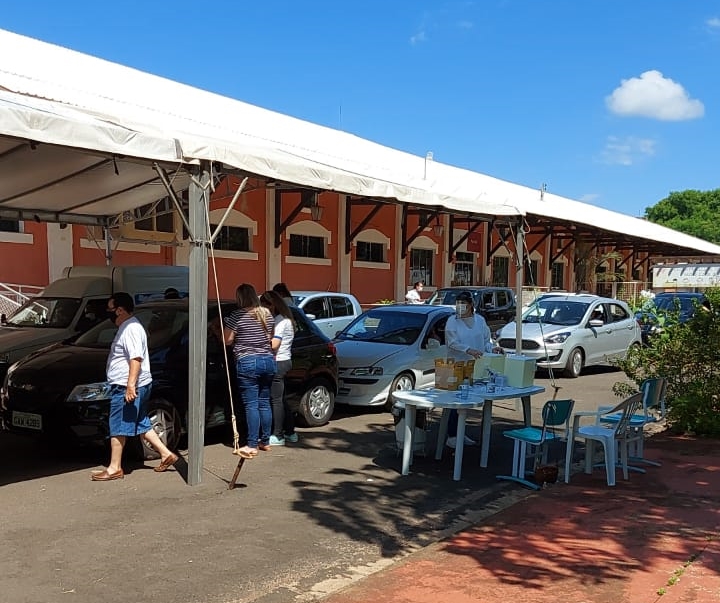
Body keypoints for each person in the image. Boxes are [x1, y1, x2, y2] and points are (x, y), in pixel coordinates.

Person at [91, 292, 178, 481]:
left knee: (118, 425)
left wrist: (130, 386)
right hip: (137, 383)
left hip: (127, 385)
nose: (108, 313)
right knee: (140, 422)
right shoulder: (131, 326)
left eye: (110, 309)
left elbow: (135, 358)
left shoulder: (130, 328)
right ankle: (166, 454)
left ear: (120, 310)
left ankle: (114, 467)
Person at [221, 283, 277, 459]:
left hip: (247, 361)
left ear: (240, 298)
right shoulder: (266, 314)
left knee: (251, 404)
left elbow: (227, 340)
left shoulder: (237, 315)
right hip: (268, 360)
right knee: (264, 401)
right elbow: (269, 337)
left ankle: (252, 444)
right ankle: (265, 441)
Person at [443, 291, 504, 449]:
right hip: (453, 365)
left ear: (471, 305)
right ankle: (451, 435)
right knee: (453, 402)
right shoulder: (452, 321)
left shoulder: (480, 320)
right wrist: (469, 350)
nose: (460, 307)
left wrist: (493, 349)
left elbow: (485, 342)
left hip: (474, 366)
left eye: (463, 304)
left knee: (467, 401)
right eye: (458, 303)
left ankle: (460, 433)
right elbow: (452, 342)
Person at [261, 290, 298, 446]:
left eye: (265, 306)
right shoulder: (284, 319)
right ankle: (290, 432)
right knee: (281, 399)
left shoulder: (281, 321)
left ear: (272, 305)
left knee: (275, 400)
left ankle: (277, 434)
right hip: (284, 360)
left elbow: (275, 344)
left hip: (279, 361)